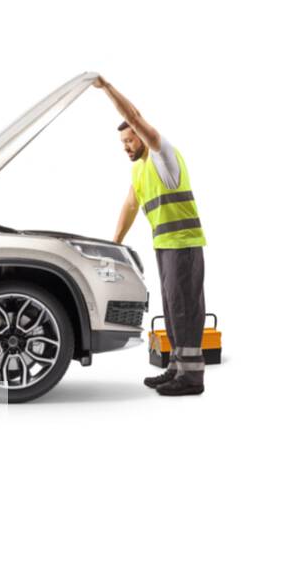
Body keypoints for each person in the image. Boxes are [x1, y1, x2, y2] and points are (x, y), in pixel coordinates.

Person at [96, 76, 207, 396]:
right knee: (174, 308)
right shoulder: (139, 169)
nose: (126, 146)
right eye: (122, 143)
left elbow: (134, 116)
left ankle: (192, 378)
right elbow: (130, 204)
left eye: (130, 140)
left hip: (184, 245)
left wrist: (106, 88)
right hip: (166, 246)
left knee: (185, 307)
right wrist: (114, 243)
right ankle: (176, 367)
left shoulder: (162, 154)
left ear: (142, 136)